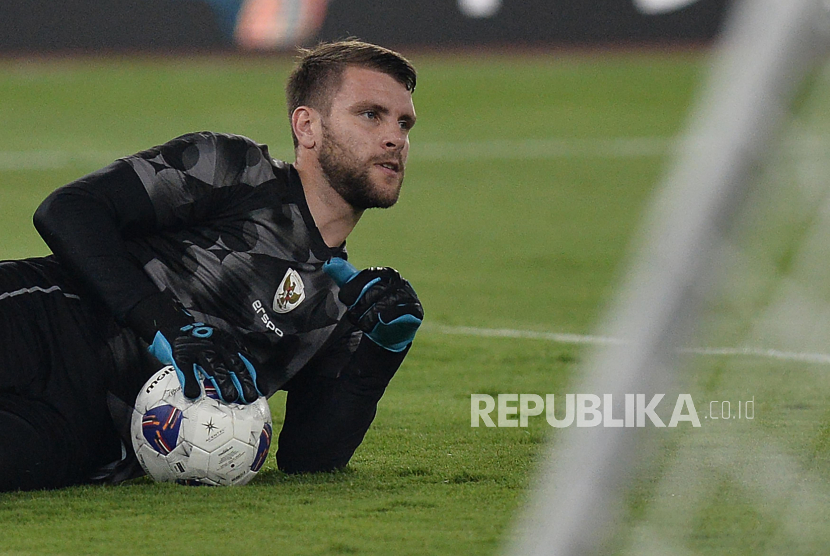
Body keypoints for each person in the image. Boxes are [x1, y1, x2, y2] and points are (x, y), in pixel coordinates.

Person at [0, 39, 424, 492]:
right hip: (37, 325)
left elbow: (308, 458)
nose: (394, 139)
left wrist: (382, 353)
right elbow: (68, 211)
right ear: (307, 127)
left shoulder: (344, 306)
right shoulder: (237, 171)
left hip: (80, 435)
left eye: (404, 123)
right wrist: (167, 325)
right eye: (370, 114)